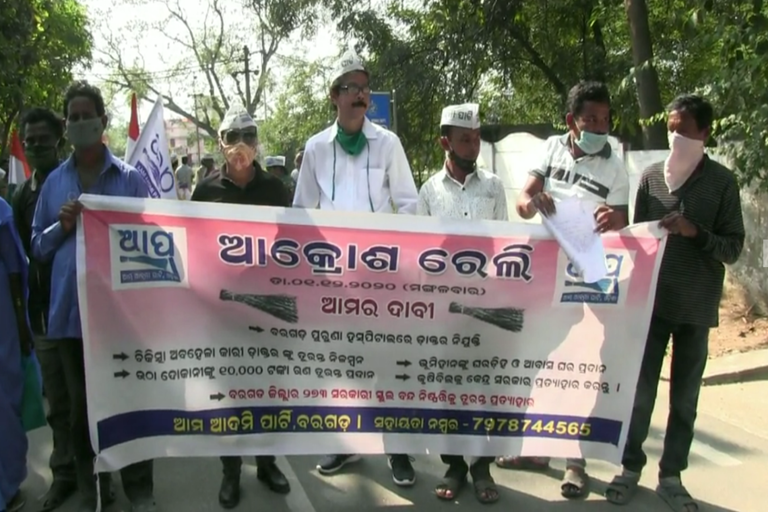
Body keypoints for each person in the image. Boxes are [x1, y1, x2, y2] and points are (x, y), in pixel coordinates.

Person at [605, 94, 745, 512]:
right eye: (670, 128)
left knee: (684, 400)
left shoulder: (723, 183)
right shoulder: (651, 178)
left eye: (683, 129)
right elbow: (639, 239)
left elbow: (733, 248)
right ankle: (629, 468)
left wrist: (694, 232)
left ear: (704, 133)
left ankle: (671, 476)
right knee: (639, 393)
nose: (675, 136)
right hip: (652, 305)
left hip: (696, 309)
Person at [496, 80, 630, 499]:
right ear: (572, 121)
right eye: (591, 119)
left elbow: (624, 216)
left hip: (587, 276)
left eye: (605, 118)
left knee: (579, 366)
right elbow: (523, 199)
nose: (599, 126)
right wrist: (534, 204)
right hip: (544, 272)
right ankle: (535, 448)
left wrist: (614, 218)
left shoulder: (615, 161)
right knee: (537, 359)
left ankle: (575, 462)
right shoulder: (552, 148)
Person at [293, 47, 419, 486]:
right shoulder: (315, 149)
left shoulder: (389, 144)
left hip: (382, 280)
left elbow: (410, 205)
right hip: (334, 281)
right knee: (339, 366)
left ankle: (397, 450)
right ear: (334, 96)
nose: (361, 96)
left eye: (365, 88)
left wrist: (400, 260)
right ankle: (343, 445)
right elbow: (301, 215)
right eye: (352, 88)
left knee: (389, 366)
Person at [31, 81, 157, 512]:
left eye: (89, 115)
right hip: (70, 319)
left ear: (104, 121)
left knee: (129, 404)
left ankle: (139, 489)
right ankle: (93, 493)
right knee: (83, 414)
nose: (82, 122)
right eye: (75, 117)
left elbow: (150, 245)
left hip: (120, 318)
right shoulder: (54, 185)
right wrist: (60, 227)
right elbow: (38, 248)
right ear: (67, 126)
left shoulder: (130, 180)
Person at [192, 104, 292, 510]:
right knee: (229, 396)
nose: (240, 146)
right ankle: (230, 471)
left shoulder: (276, 190)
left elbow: (294, 248)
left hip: (269, 311)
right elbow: (194, 249)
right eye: (232, 137)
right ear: (220, 142)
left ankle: (266, 462)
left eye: (248, 136)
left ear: (257, 140)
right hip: (223, 311)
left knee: (268, 391)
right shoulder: (205, 192)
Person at [418, 103, 507, 504]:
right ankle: (454, 464)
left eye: (477, 138)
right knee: (448, 388)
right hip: (444, 307)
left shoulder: (493, 186)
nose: (473, 146)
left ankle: (483, 466)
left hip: (487, 305)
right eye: (465, 140)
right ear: (446, 143)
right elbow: (421, 252)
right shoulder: (429, 191)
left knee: (486, 387)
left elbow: (506, 246)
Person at [12, 107, 78, 512]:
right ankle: (65, 474)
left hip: (79, 315)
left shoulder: (71, 186)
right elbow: (19, 261)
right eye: (29, 139)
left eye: (43, 137)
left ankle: (96, 475)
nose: (36, 144)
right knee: (58, 405)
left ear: (59, 140)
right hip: (41, 319)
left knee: (86, 402)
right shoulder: (19, 196)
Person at [1, 195, 33, 512]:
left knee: (4, 402)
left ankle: (7, 487)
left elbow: (14, 272)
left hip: (3, 322)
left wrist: (23, 326)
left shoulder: (1, 212)